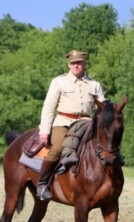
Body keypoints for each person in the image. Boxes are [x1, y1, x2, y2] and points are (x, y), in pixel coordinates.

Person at [36, 50, 106, 201]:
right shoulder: (59, 82)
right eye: (73, 63)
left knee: (104, 146)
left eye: (79, 63)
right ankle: (42, 185)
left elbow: (103, 106)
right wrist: (44, 130)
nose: (76, 66)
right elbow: (49, 106)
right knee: (57, 148)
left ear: (84, 64)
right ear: (69, 65)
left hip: (87, 123)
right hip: (64, 122)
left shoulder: (94, 85)